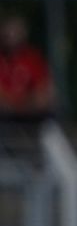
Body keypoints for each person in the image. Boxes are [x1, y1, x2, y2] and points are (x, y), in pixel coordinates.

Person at [0, 13, 56, 156]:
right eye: (8, 33)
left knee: (50, 117)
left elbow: (43, 92)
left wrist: (25, 103)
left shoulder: (33, 58)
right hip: (6, 112)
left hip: (29, 111)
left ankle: (45, 159)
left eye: (16, 32)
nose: (11, 37)